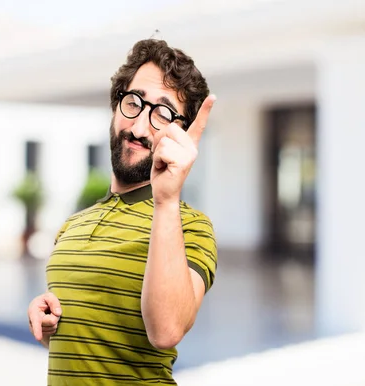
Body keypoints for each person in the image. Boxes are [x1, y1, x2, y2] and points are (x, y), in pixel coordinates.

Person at [27, 38, 217, 385]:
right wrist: (50, 325)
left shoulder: (189, 225)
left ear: (183, 135)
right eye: (134, 103)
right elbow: (93, 346)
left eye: (162, 114)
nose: (140, 128)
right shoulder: (72, 227)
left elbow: (167, 330)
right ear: (116, 107)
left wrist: (166, 200)